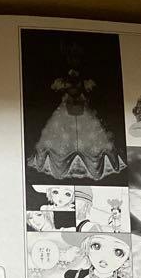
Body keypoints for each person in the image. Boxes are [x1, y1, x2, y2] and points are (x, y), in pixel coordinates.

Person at [28, 45, 126, 181]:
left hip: (83, 111)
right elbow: (57, 88)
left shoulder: (84, 80)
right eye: (71, 59)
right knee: (59, 135)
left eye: (75, 59)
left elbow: (90, 89)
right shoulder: (64, 80)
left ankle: (91, 164)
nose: (73, 63)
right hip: (66, 112)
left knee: (93, 136)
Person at [63, 231, 132, 278]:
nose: (105, 256)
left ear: (127, 258)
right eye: (96, 246)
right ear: (86, 248)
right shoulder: (72, 276)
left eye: (118, 252)